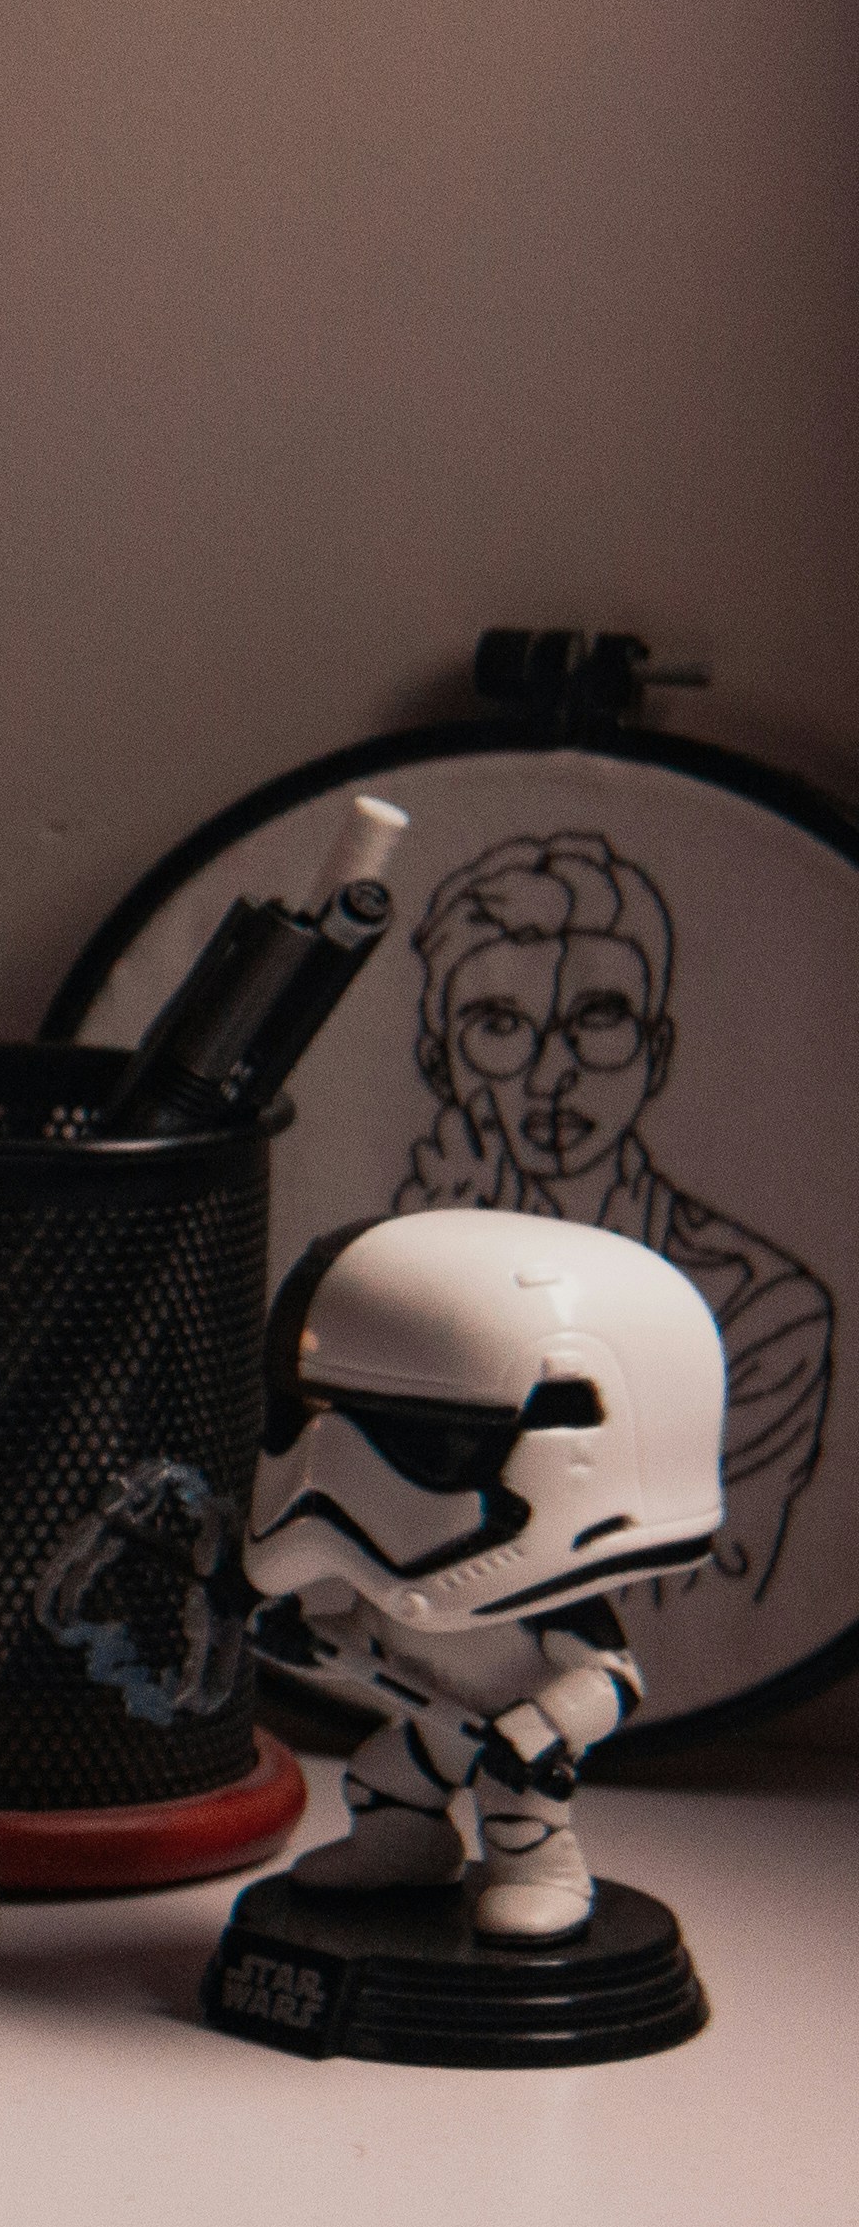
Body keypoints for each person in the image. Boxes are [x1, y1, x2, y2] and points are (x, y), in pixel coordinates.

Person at [246, 1209, 726, 1941]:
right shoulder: (394, 1571)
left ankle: (545, 1876)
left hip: (511, 1743)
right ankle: (405, 1851)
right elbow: (370, 1638)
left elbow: (613, 1680)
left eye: (423, 1445)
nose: (348, 1479)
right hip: (433, 1731)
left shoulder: (538, 1605)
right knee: (381, 1782)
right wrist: (310, 1639)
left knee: (518, 1820)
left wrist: (541, 1728)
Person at [393, 830, 831, 1593]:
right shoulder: (372, 1277)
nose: (552, 1074)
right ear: (440, 1067)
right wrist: (415, 1297)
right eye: (500, 1026)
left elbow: (691, 1599)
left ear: (655, 1053)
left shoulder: (764, 1311)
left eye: (596, 1021)